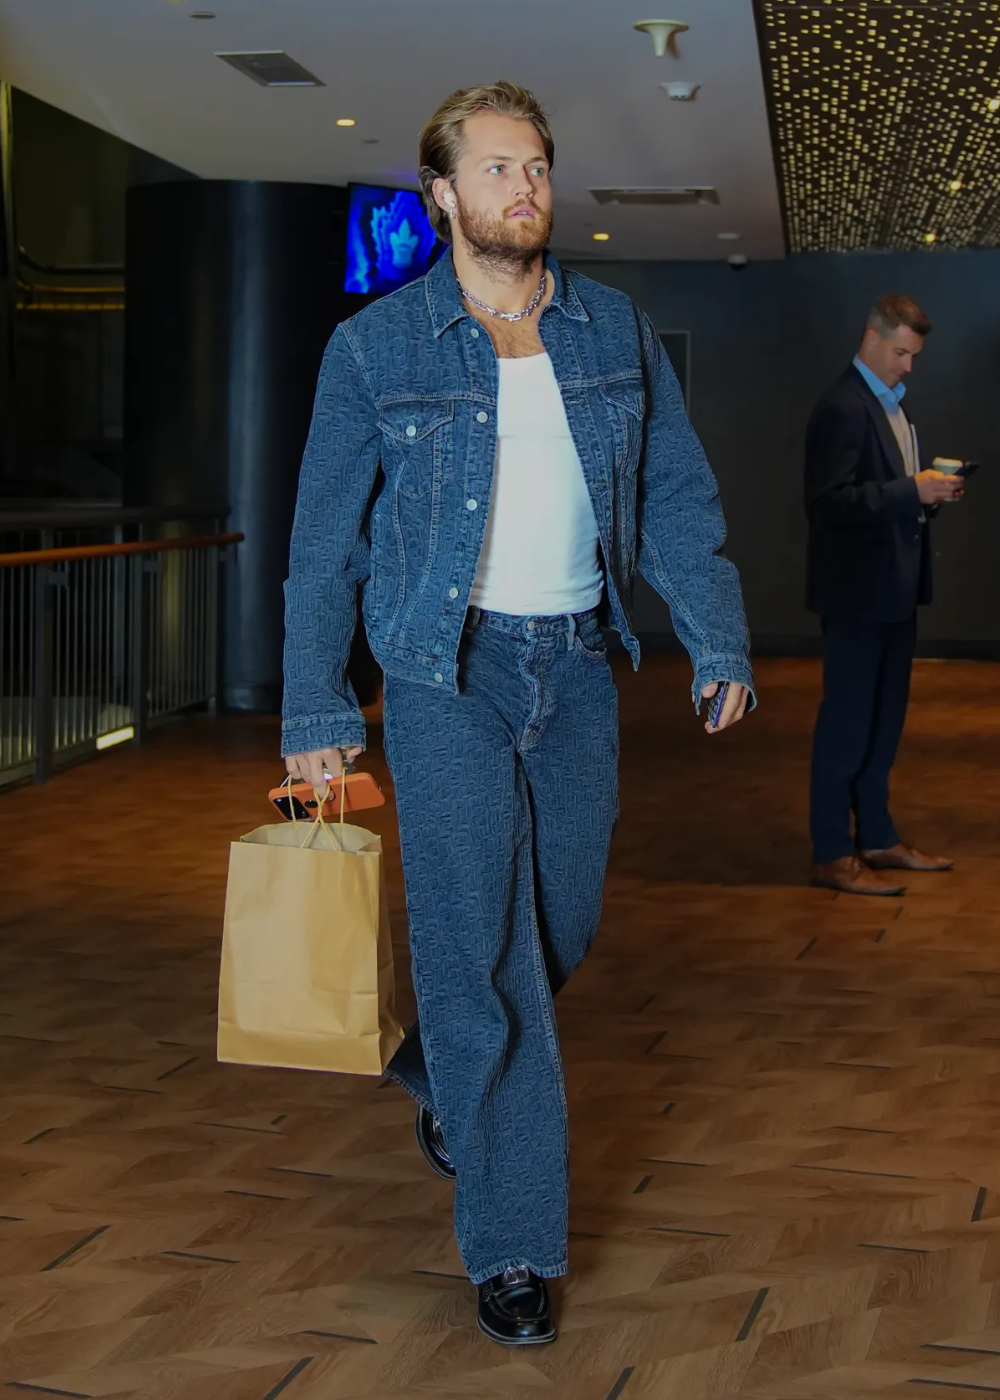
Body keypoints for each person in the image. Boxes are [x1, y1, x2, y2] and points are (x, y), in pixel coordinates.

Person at [281, 80, 753, 1346]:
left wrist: (714, 633)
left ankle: (446, 1068)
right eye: (495, 169)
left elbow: (675, 495)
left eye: (535, 166)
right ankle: (511, 1247)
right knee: (480, 959)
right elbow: (323, 545)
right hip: (446, 675)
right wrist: (312, 703)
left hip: (576, 671)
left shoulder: (611, 328)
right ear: (440, 193)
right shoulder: (376, 348)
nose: (523, 188)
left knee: (561, 922)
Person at [806, 294, 961, 896]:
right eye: (901, 352)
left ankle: (876, 837)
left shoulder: (893, 408)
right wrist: (908, 492)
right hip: (855, 596)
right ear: (870, 337)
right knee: (846, 725)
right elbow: (825, 505)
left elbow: (885, 494)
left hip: (895, 592)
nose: (908, 366)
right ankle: (831, 852)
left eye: (914, 355)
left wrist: (929, 494)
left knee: (884, 724)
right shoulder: (841, 408)